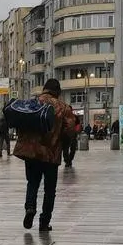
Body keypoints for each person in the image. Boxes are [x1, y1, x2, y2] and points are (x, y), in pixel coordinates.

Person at [15, 79, 77, 232]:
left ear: (44, 89)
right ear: (58, 91)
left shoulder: (33, 103)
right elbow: (70, 130)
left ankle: (30, 208)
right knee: (50, 189)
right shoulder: (63, 107)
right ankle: (44, 222)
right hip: (51, 154)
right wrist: (63, 144)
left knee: (32, 183)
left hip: (32, 152)